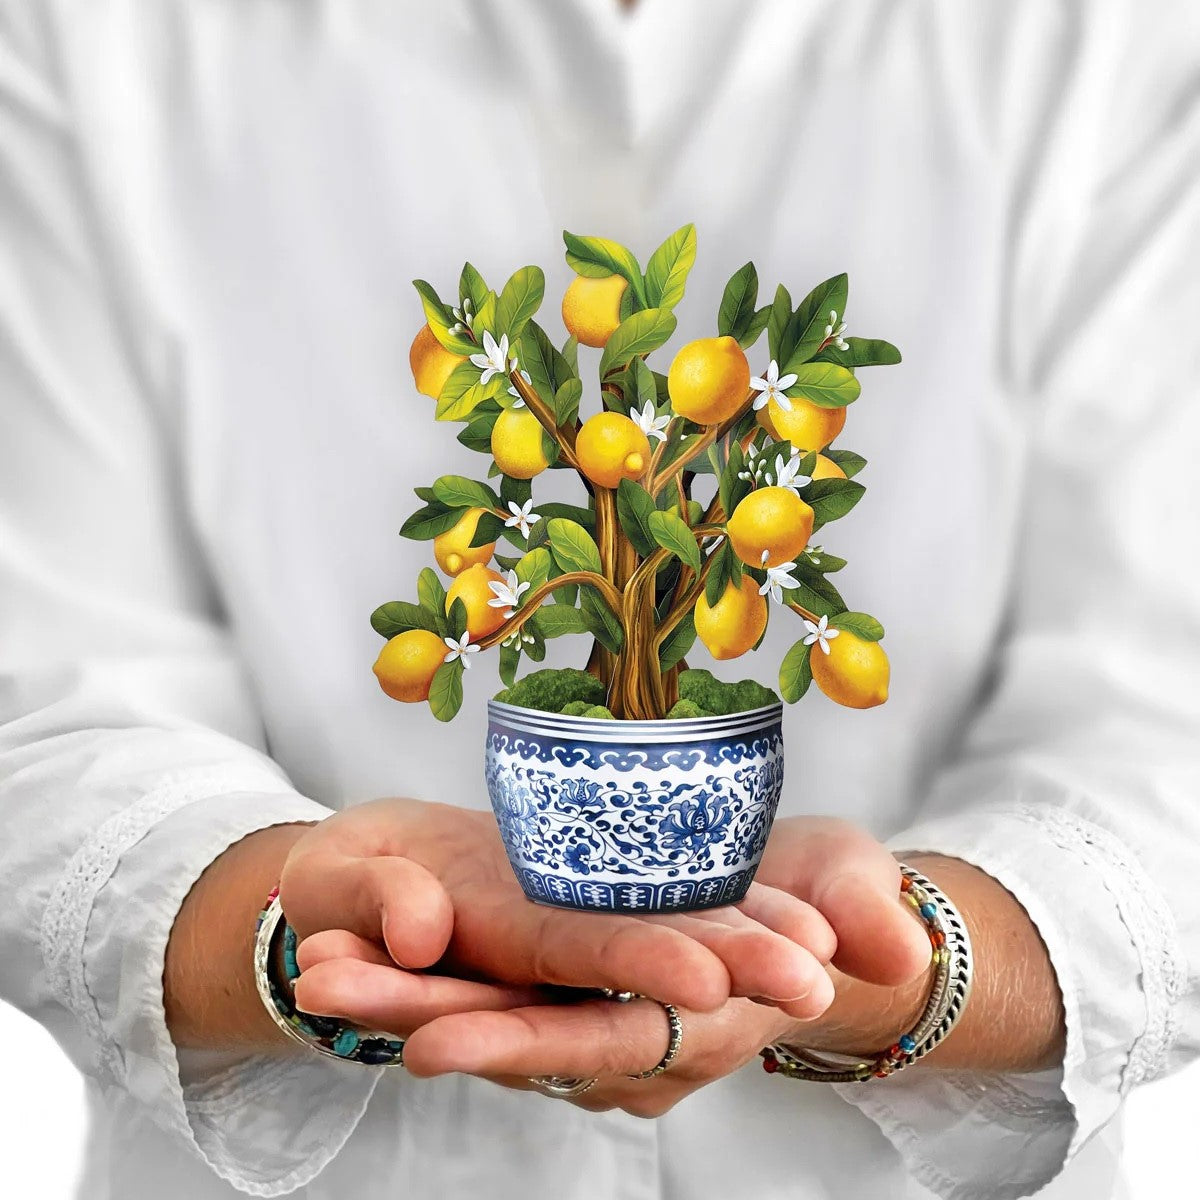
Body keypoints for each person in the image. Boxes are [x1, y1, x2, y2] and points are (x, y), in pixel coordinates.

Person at [1, 0, 1197, 1197]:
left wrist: (922, 961)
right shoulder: (97, 35)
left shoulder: (1110, 39)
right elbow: (47, 712)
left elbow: (1163, 726)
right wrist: (286, 932)